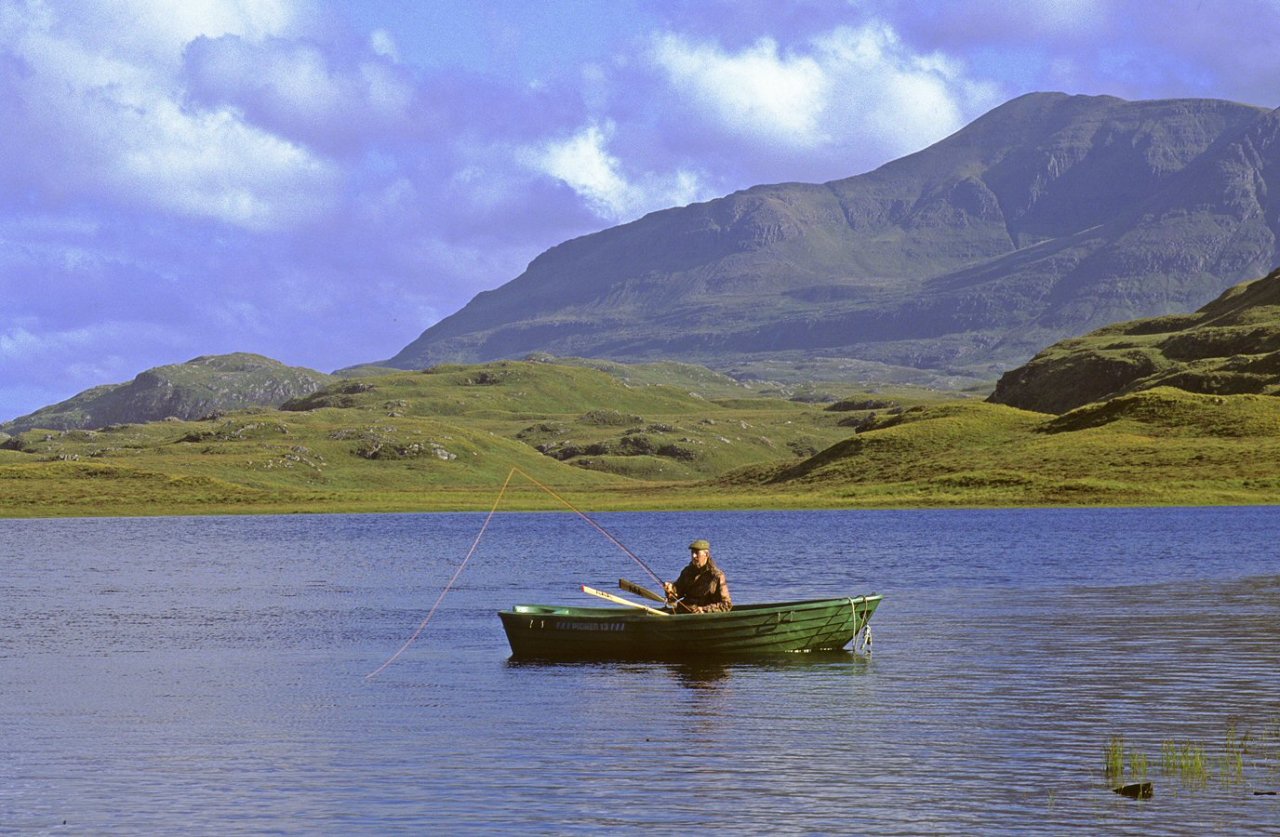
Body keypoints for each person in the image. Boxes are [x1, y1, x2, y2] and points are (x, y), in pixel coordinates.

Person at [663, 539, 732, 613]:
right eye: (692, 553)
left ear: (706, 554)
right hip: (683, 612)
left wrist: (703, 610)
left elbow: (726, 605)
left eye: (696, 553)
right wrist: (670, 590)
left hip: (703, 617)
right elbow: (675, 596)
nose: (693, 556)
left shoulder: (716, 576)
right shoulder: (687, 572)